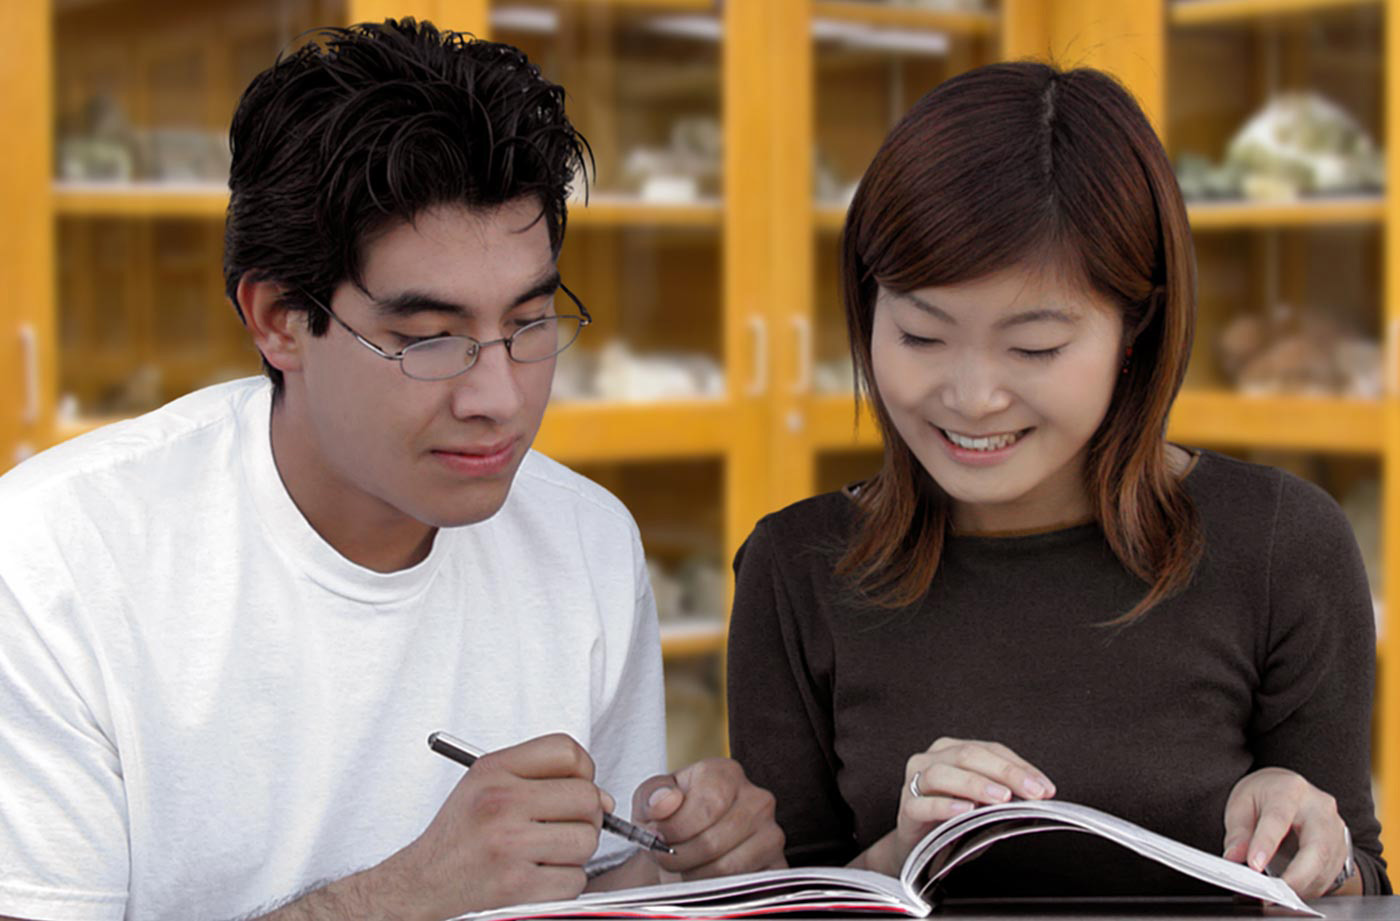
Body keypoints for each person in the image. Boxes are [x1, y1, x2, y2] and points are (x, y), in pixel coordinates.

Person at [0, 19, 783, 921]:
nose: (499, 396)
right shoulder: (57, 563)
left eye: (530, 322)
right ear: (277, 320)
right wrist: (404, 895)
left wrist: (675, 873)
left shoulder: (587, 538)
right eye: (430, 339)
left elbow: (587, 898)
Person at [726, 60, 1388, 901]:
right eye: (921, 335)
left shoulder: (1280, 545)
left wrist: (1320, 852)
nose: (971, 397)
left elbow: (1363, 882)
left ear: (1135, 328)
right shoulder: (797, 566)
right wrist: (900, 852)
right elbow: (777, 900)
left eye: (1034, 347)